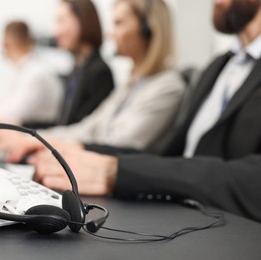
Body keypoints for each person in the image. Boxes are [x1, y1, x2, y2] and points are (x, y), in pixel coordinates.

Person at [29, 0, 261, 223]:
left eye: (119, 23)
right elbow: (171, 155)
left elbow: (250, 180)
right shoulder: (218, 67)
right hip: (186, 214)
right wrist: (83, 150)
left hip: (230, 227)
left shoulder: (170, 85)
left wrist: (116, 173)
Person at [0, 0, 185, 160]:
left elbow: (118, 146)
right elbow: (87, 128)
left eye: (119, 23)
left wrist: (41, 142)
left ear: (147, 28)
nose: (110, 32)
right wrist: (34, 137)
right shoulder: (131, 85)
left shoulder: (168, 87)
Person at [25, 0, 114, 128]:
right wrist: (22, 127)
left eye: (61, 21)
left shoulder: (99, 73)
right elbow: (62, 124)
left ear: (82, 20)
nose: (56, 31)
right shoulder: (77, 69)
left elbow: (82, 130)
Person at [0, 21, 63, 125]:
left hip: (38, 134)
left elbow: (9, 115)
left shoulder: (36, 74)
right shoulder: (26, 70)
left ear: (6, 44)